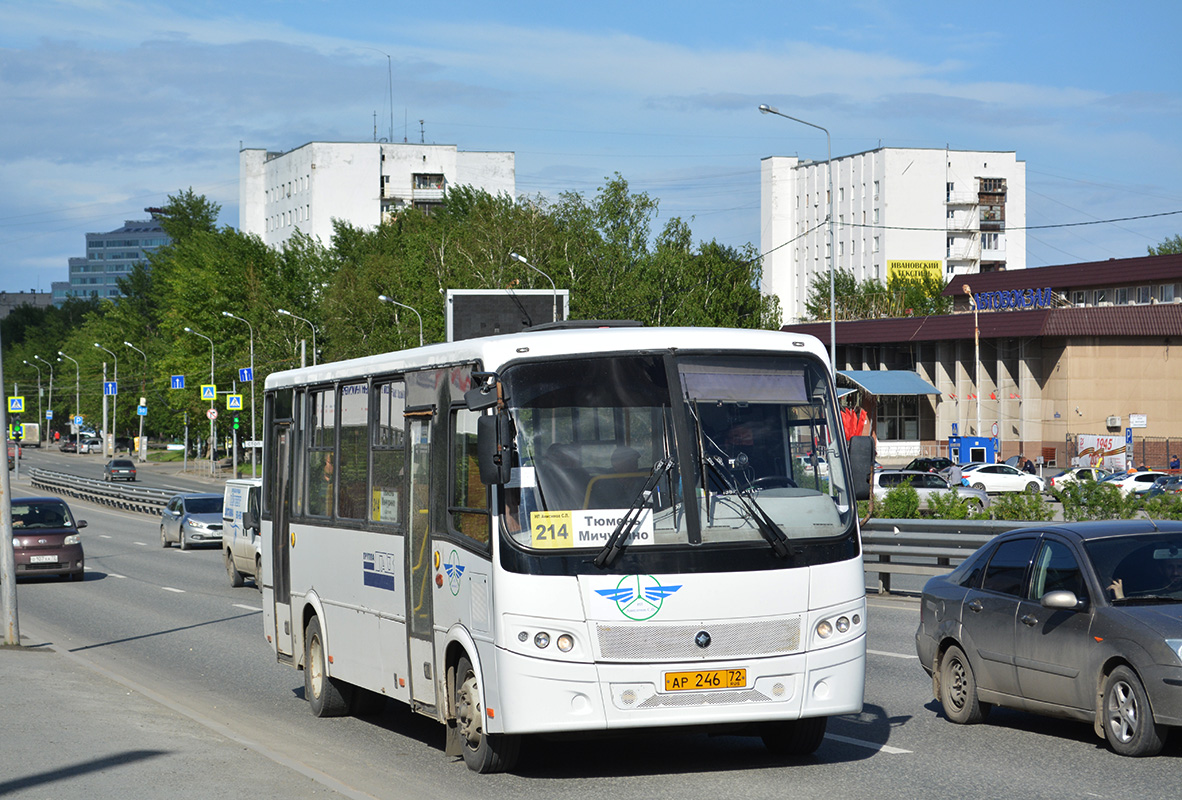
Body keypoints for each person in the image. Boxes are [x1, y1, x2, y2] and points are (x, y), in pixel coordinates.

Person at [1110, 550, 1182, 600]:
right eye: (1170, 567)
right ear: (1161, 569)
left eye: (1179, 567)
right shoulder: (1145, 595)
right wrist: (1121, 599)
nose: (1175, 572)